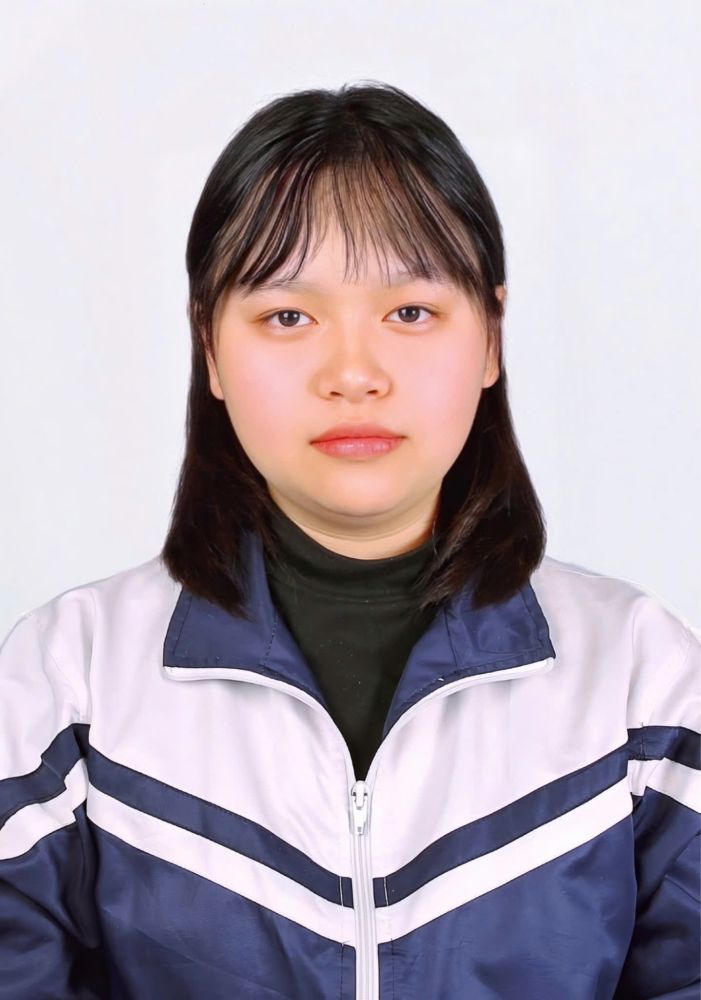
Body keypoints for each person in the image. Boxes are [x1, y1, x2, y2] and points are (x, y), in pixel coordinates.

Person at [0, 81, 699, 1000]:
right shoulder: (71, 684)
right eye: (287, 316)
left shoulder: (638, 681)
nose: (353, 373)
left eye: (410, 312)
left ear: (490, 338)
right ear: (210, 348)